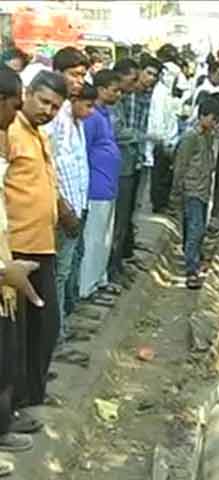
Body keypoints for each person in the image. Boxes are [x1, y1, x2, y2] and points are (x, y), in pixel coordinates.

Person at [5, 71, 66, 423]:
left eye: (55, 107)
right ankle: (13, 407)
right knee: (15, 337)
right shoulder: (10, 132)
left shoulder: (41, 135)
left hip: (43, 246)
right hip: (16, 250)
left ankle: (31, 394)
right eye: (43, 102)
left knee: (44, 326)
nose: (48, 110)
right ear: (27, 94)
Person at [0, 66, 51, 472]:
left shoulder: (31, 132)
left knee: (14, 345)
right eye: (14, 105)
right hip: (8, 262)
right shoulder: (10, 136)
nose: (14, 114)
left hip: (15, 256)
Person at [46, 47, 91, 340]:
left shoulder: (70, 112)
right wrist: (63, 209)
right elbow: (48, 166)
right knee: (57, 275)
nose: (79, 80)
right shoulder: (52, 114)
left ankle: (60, 327)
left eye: (82, 75)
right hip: (62, 209)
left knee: (65, 271)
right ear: (58, 72)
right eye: (74, 74)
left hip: (76, 202)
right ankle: (55, 335)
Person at [171, 97, 219, 289]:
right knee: (196, 227)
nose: (215, 123)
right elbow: (180, 165)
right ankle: (191, 268)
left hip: (202, 187)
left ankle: (191, 257)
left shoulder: (208, 136)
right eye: (213, 119)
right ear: (202, 116)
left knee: (192, 226)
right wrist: (176, 190)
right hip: (191, 187)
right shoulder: (190, 137)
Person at [79, 70, 122, 301]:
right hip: (96, 188)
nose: (118, 94)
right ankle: (87, 288)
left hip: (108, 186)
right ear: (101, 89)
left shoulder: (105, 114)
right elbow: (83, 152)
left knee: (104, 237)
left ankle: (99, 280)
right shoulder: (91, 117)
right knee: (94, 239)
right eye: (115, 90)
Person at [110, 58, 144, 286]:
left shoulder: (121, 100)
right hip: (119, 170)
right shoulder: (112, 102)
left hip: (128, 166)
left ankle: (118, 265)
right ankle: (112, 270)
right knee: (117, 224)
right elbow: (118, 131)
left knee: (123, 222)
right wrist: (140, 135)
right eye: (132, 79)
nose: (135, 84)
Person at [146, 55, 180, 214]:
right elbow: (158, 118)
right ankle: (159, 205)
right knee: (160, 175)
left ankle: (163, 203)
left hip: (168, 139)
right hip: (161, 141)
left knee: (165, 173)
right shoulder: (159, 93)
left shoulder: (166, 92)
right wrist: (163, 140)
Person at [133, 56, 162, 210]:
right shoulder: (129, 95)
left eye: (155, 75)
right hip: (129, 150)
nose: (151, 78)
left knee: (137, 200)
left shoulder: (152, 96)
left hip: (143, 152)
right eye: (149, 73)